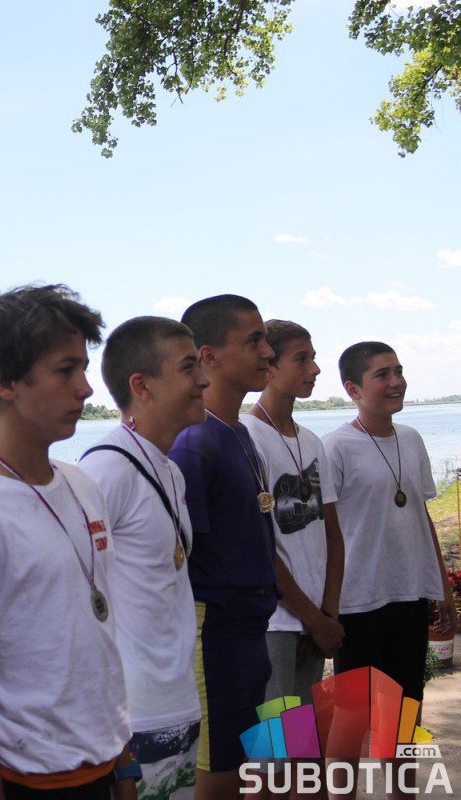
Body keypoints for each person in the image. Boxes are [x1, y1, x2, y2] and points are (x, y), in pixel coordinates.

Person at [0, 284, 135, 800]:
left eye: (84, 369)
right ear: (4, 382)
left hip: (103, 765)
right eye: (66, 371)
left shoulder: (82, 484)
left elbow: (99, 642)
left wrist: (124, 766)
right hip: (25, 781)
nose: (86, 389)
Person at [78, 316, 209, 800]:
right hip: (133, 718)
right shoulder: (105, 469)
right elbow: (79, 602)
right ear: (142, 385)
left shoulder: (170, 470)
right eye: (188, 367)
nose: (204, 380)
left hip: (177, 702)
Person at [321, 342, 456, 800]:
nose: (396, 382)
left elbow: (420, 514)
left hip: (408, 595)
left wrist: (441, 586)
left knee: (404, 715)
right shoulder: (335, 447)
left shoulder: (412, 439)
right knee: (351, 717)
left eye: (398, 371)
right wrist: (325, 607)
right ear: (353, 389)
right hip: (357, 601)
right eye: (382, 374)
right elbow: (325, 533)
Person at [167, 295, 279, 800]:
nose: (267, 352)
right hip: (213, 631)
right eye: (253, 341)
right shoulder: (194, 441)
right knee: (218, 773)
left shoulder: (237, 433)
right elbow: (178, 557)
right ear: (208, 356)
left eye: (265, 340)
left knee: (249, 768)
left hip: (251, 629)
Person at [240, 322, 345, 704]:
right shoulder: (248, 437)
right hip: (276, 621)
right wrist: (313, 619)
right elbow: (257, 547)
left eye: (313, 358)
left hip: (316, 619)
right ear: (269, 366)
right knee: (273, 736)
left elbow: (332, 533)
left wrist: (328, 614)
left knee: (304, 735)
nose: (314, 369)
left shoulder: (312, 441)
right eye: (301, 359)